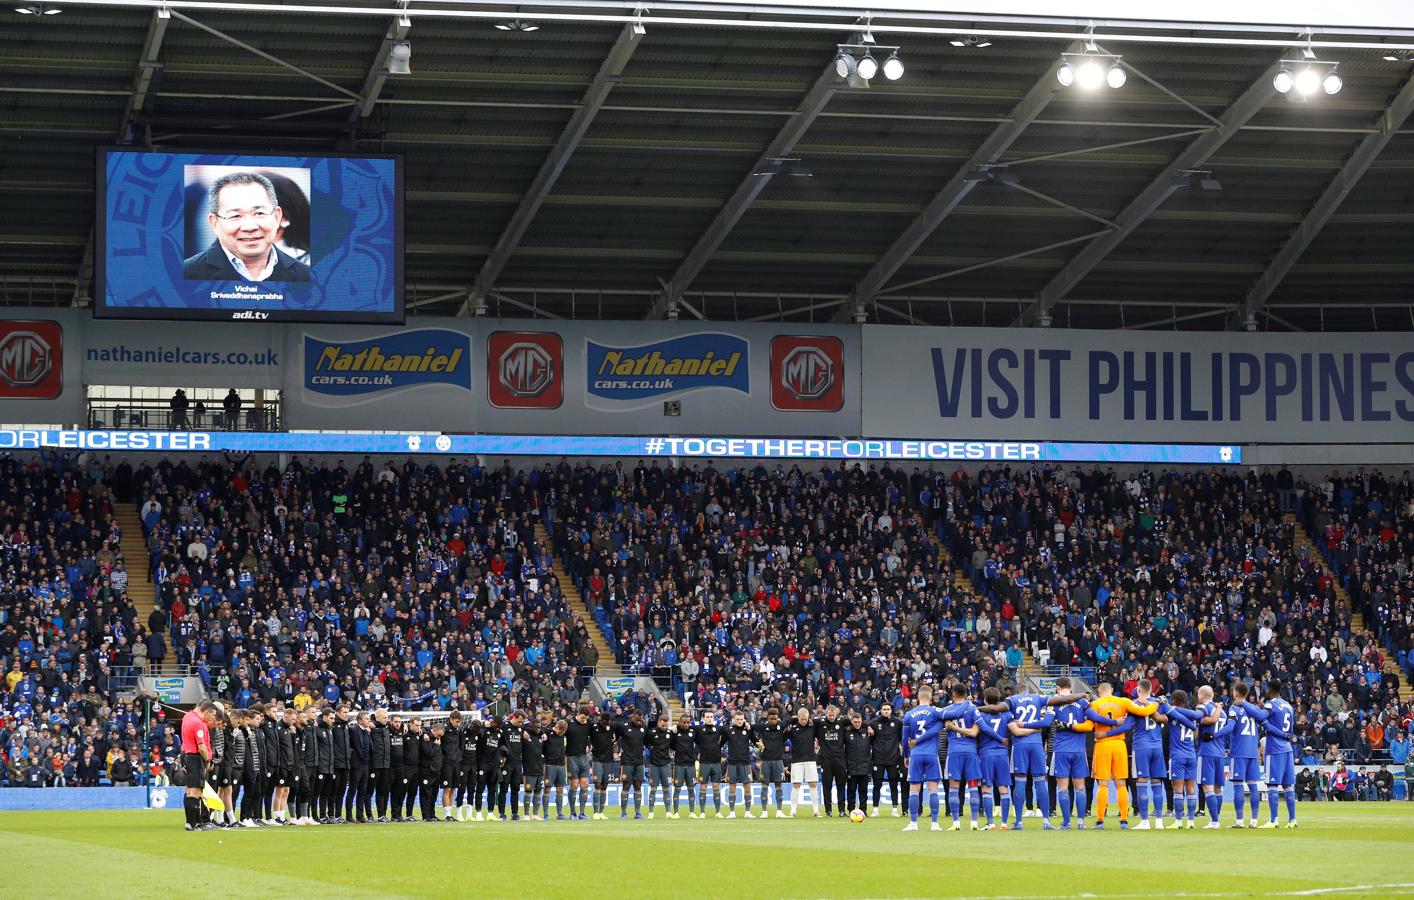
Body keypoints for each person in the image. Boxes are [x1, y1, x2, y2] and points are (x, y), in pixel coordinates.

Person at [183, 171, 311, 282]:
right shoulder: (188, 273)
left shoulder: (307, 274)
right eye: (235, 216)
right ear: (214, 223)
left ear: (278, 217)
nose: (249, 226)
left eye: (259, 213)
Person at [1088, 681, 1158, 829]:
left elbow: (1089, 725)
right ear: (1112, 690)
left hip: (1102, 744)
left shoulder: (1094, 704)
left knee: (1103, 784)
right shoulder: (1123, 701)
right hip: (1120, 745)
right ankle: (1124, 820)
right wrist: (1156, 705)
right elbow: (1144, 712)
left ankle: (1100, 821)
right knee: (1121, 784)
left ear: (1099, 692)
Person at [1233, 679, 1299, 828]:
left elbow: (1262, 717)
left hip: (1274, 749)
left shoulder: (1271, 704)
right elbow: (1289, 731)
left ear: (1269, 690)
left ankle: (1273, 820)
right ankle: (1292, 820)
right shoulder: (1288, 706)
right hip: (1288, 748)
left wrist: (1243, 703)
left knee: (1272, 785)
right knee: (1288, 786)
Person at [1153, 689, 1203, 829]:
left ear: (1173, 701)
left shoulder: (1171, 715)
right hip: (1191, 754)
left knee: (1178, 789)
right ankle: (1191, 821)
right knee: (1191, 788)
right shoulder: (1192, 716)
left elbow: (1157, 717)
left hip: (1177, 756)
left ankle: (1179, 821)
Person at [1196, 685, 1236, 830]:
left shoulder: (1203, 707)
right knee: (1217, 788)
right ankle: (1216, 819)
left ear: (1201, 696)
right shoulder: (1223, 713)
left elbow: (1201, 721)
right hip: (1220, 752)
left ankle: (1214, 822)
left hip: (1206, 751)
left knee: (1207, 788)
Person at [1226, 682, 1264, 828]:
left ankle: (1240, 820)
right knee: (1253, 785)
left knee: (1237, 785)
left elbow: (1230, 727)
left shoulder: (1234, 708)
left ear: (1235, 693)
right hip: (1252, 752)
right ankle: (1254, 820)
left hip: (1239, 752)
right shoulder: (1253, 708)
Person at [974, 688, 1013, 831]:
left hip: (986, 754)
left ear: (985, 700)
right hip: (1002, 754)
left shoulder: (981, 714)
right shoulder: (1007, 714)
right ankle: (1004, 823)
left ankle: (990, 823)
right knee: (1003, 788)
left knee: (987, 788)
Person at [180, 700, 217, 831]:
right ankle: (194, 823)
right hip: (196, 758)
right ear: (206, 711)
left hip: (188, 756)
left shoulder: (187, 717)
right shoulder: (198, 723)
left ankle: (191, 823)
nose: (211, 719)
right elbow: (201, 747)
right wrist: (207, 760)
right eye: (211, 715)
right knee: (195, 792)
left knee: (190, 791)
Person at [868, 702, 904, 818]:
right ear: (880, 710)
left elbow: (901, 739)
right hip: (878, 758)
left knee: (894, 784)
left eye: (888, 709)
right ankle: (875, 810)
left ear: (891, 711)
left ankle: (894, 809)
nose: (886, 711)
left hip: (893, 759)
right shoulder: (873, 723)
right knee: (876, 785)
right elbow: (870, 740)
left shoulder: (898, 723)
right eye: (884, 709)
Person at [785, 706, 821, 818]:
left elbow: (821, 722)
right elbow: (783, 737)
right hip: (796, 761)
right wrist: (789, 726)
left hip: (810, 759)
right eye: (802, 719)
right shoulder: (793, 727)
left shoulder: (812, 726)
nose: (804, 721)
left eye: (806, 719)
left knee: (813, 784)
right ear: (798, 717)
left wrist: (812, 720)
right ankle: (793, 810)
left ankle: (816, 810)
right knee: (796, 785)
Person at [754, 707, 789, 818]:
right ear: (767, 718)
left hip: (778, 761)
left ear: (777, 718)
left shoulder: (781, 726)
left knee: (779, 785)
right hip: (765, 761)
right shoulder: (763, 727)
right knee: (764, 785)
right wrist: (757, 743)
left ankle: (779, 811)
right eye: (771, 718)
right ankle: (764, 811)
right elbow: (750, 728)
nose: (773, 721)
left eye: (775, 718)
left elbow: (792, 720)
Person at [614, 710, 648, 820]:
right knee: (626, 785)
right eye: (637, 720)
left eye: (640, 720)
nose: (639, 722)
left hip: (639, 761)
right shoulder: (623, 726)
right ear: (632, 717)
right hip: (627, 761)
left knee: (638, 785)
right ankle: (623, 813)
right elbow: (614, 738)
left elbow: (647, 741)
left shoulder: (644, 727)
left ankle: (637, 813)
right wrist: (616, 750)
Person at [694, 709, 727, 818]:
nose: (709, 719)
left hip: (716, 763)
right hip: (704, 763)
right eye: (707, 717)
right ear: (703, 718)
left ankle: (717, 812)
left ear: (714, 718)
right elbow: (685, 728)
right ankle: (702, 812)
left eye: (711, 717)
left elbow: (728, 732)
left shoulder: (718, 729)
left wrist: (719, 746)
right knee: (703, 787)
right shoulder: (699, 729)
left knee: (716, 787)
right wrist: (675, 727)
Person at [815, 705, 848, 818]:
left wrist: (867, 727)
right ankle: (828, 811)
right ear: (826, 714)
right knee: (826, 786)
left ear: (836, 714)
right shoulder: (819, 723)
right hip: (826, 759)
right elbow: (808, 722)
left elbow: (856, 721)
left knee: (841, 786)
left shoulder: (842, 722)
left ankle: (842, 810)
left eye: (833, 715)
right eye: (829, 715)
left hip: (840, 759)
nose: (831, 717)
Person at [724, 710, 756, 818]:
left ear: (744, 719)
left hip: (745, 763)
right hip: (732, 763)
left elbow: (755, 741)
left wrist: (762, 746)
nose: (739, 721)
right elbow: (719, 744)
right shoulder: (728, 730)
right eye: (737, 719)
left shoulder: (747, 729)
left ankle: (747, 812)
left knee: (747, 786)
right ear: (733, 720)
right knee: (732, 786)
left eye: (741, 719)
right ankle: (732, 812)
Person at [564, 704, 593, 821]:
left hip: (583, 757)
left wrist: (589, 744)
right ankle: (573, 813)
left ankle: (582, 813)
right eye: (582, 718)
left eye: (586, 718)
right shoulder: (569, 723)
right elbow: (559, 733)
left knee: (585, 784)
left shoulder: (589, 722)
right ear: (578, 714)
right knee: (574, 785)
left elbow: (590, 735)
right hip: (571, 757)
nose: (584, 720)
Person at [588, 711, 617, 820]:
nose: (607, 723)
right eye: (605, 720)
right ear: (601, 719)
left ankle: (601, 812)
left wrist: (616, 738)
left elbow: (621, 730)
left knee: (605, 785)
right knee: (597, 784)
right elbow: (585, 734)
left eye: (608, 721)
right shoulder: (593, 727)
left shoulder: (612, 727)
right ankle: (595, 812)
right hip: (597, 759)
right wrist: (588, 744)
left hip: (608, 760)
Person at [670, 711, 699, 819]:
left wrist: (695, 753)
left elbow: (700, 741)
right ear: (680, 722)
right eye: (684, 722)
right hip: (679, 765)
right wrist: (674, 727)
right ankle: (676, 812)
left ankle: (692, 812)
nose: (686, 724)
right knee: (677, 788)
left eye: (688, 722)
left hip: (691, 764)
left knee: (691, 788)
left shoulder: (693, 731)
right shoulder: (675, 731)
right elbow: (671, 744)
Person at [843, 711, 872, 816]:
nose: (857, 724)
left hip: (864, 766)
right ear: (851, 721)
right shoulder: (846, 732)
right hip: (851, 766)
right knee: (851, 791)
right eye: (855, 722)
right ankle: (851, 810)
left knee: (863, 791)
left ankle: (863, 811)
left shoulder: (867, 731)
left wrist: (867, 726)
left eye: (859, 722)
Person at [646, 714, 674, 819]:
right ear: (659, 722)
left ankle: (668, 812)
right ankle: (651, 813)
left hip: (666, 764)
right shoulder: (651, 732)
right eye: (662, 723)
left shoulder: (670, 733)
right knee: (653, 788)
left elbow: (674, 745)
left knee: (666, 788)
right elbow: (646, 743)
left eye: (666, 724)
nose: (664, 726)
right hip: (654, 764)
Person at [347, 711, 372, 823]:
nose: (368, 721)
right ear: (359, 720)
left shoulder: (367, 732)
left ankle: (360, 815)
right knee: (352, 790)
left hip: (365, 765)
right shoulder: (353, 730)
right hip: (356, 765)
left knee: (362, 791)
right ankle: (349, 816)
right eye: (366, 719)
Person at [543, 718, 569, 820]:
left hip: (562, 766)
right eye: (561, 731)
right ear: (557, 727)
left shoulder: (563, 735)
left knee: (560, 789)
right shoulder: (548, 733)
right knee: (547, 789)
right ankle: (545, 814)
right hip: (550, 765)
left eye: (563, 732)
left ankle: (560, 813)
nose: (561, 733)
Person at [369, 709, 392, 822]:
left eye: (387, 717)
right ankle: (367, 815)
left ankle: (382, 815)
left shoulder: (387, 727)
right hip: (374, 765)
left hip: (385, 764)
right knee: (368, 791)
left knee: (383, 791)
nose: (386, 719)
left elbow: (400, 725)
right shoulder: (371, 728)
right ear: (377, 718)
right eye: (384, 717)